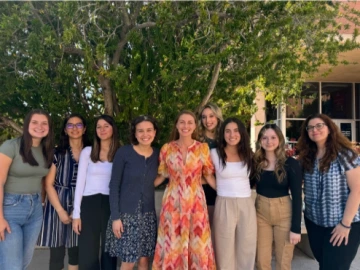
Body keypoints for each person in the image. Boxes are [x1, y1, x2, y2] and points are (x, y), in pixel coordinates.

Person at [152, 110, 216, 270]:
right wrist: (138, 186)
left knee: (198, 247)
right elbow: (162, 175)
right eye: (182, 122)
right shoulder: (167, 149)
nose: (185, 126)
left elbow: (208, 176)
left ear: (195, 126)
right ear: (176, 125)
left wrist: (227, 191)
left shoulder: (203, 149)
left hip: (196, 202)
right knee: (172, 245)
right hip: (172, 203)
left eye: (189, 122)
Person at [297, 114, 360, 270]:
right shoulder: (307, 157)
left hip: (343, 224)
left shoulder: (345, 154)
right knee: (324, 264)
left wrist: (345, 225)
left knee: (335, 266)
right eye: (310, 127)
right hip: (314, 223)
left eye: (319, 126)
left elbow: (357, 189)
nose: (314, 130)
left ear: (330, 128)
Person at [0, 109, 54, 269]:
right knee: (12, 265)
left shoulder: (47, 150)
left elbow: (44, 181)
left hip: (35, 210)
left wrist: (42, 202)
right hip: (10, 209)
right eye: (35, 122)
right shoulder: (11, 146)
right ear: (27, 125)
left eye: (44, 123)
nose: (40, 126)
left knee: (24, 261)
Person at [105, 115, 159, 270]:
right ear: (135, 134)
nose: (145, 134)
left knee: (144, 261)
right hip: (126, 216)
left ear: (154, 132)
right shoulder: (124, 152)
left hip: (148, 216)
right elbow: (114, 185)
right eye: (140, 131)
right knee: (128, 262)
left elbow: (153, 180)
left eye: (149, 130)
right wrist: (115, 217)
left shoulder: (158, 154)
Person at [37, 113, 90, 270]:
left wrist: (77, 211)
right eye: (70, 125)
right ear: (65, 130)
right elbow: (48, 184)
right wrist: (60, 210)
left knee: (76, 252)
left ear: (85, 129)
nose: (74, 128)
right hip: (57, 202)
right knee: (56, 254)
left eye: (79, 125)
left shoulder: (91, 153)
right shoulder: (57, 153)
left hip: (81, 203)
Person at [72, 115, 119, 270]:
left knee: (109, 250)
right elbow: (80, 183)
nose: (102, 129)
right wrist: (76, 214)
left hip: (111, 204)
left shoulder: (120, 152)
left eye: (106, 126)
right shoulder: (88, 152)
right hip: (89, 203)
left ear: (113, 128)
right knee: (87, 250)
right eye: (99, 126)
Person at [253, 124, 302, 270]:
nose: (269, 141)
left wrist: (296, 228)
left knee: (283, 262)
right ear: (260, 141)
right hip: (261, 214)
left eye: (273, 137)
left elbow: (297, 196)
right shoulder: (256, 163)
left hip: (284, 215)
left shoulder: (291, 164)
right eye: (265, 138)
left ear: (280, 140)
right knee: (262, 262)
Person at [211, 117, 256, 269]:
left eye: (236, 131)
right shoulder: (214, 154)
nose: (232, 135)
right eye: (228, 131)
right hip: (224, 203)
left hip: (246, 203)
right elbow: (204, 173)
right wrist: (219, 188)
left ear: (242, 133)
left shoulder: (249, 154)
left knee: (246, 246)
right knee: (224, 248)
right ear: (223, 134)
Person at [198, 103, 223, 229]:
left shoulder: (225, 137)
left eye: (211, 116)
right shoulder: (196, 138)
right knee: (203, 228)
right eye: (204, 117)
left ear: (217, 117)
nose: (208, 120)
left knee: (216, 229)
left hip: (222, 186)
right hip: (201, 188)